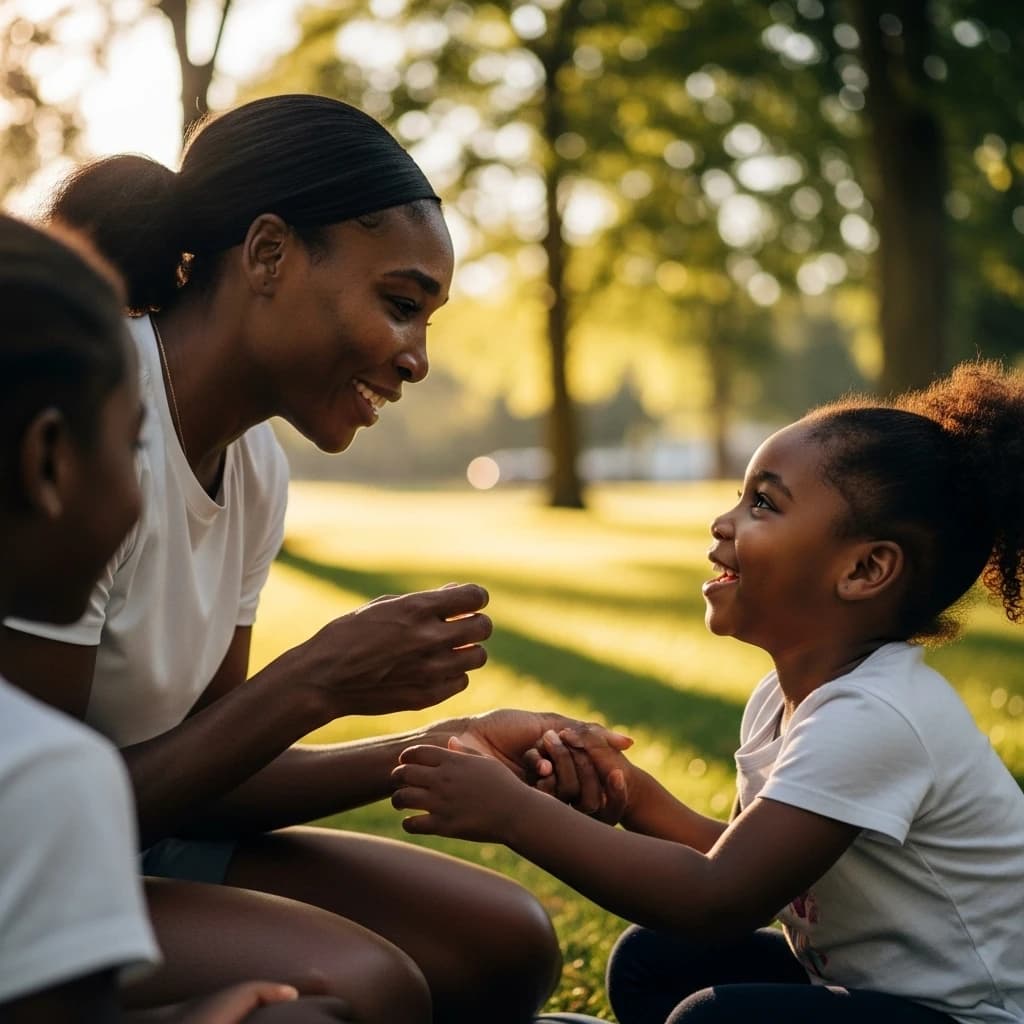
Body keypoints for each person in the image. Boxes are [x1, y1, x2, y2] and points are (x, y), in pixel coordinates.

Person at [0, 93, 619, 1023]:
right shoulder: (89, 427)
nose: (415, 360)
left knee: (506, 942)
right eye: (401, 304)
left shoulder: (254, 467)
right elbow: (35, 824)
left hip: (140, 837)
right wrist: (315, 681)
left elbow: (209, 779)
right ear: (268, 254)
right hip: (34, 875)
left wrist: (444, 747)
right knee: (365, 988)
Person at [392, 359, 1024, 1024]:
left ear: (865, 569)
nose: (723, 523)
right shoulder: (783, 700)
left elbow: (719, 898)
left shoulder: (878, 715)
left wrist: (513, 814)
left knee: (714, 1019)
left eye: (763, 504)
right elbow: (746, 862)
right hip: (883, 999)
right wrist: (630, 793)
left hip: (977, 1017)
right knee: (652, 959)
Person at [0, 214, 355, 1023]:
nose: (145, 486)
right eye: (132, 446)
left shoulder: (258, 464)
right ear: (47, 461)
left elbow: (211, 762)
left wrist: (437, 750)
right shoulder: (42, 773)